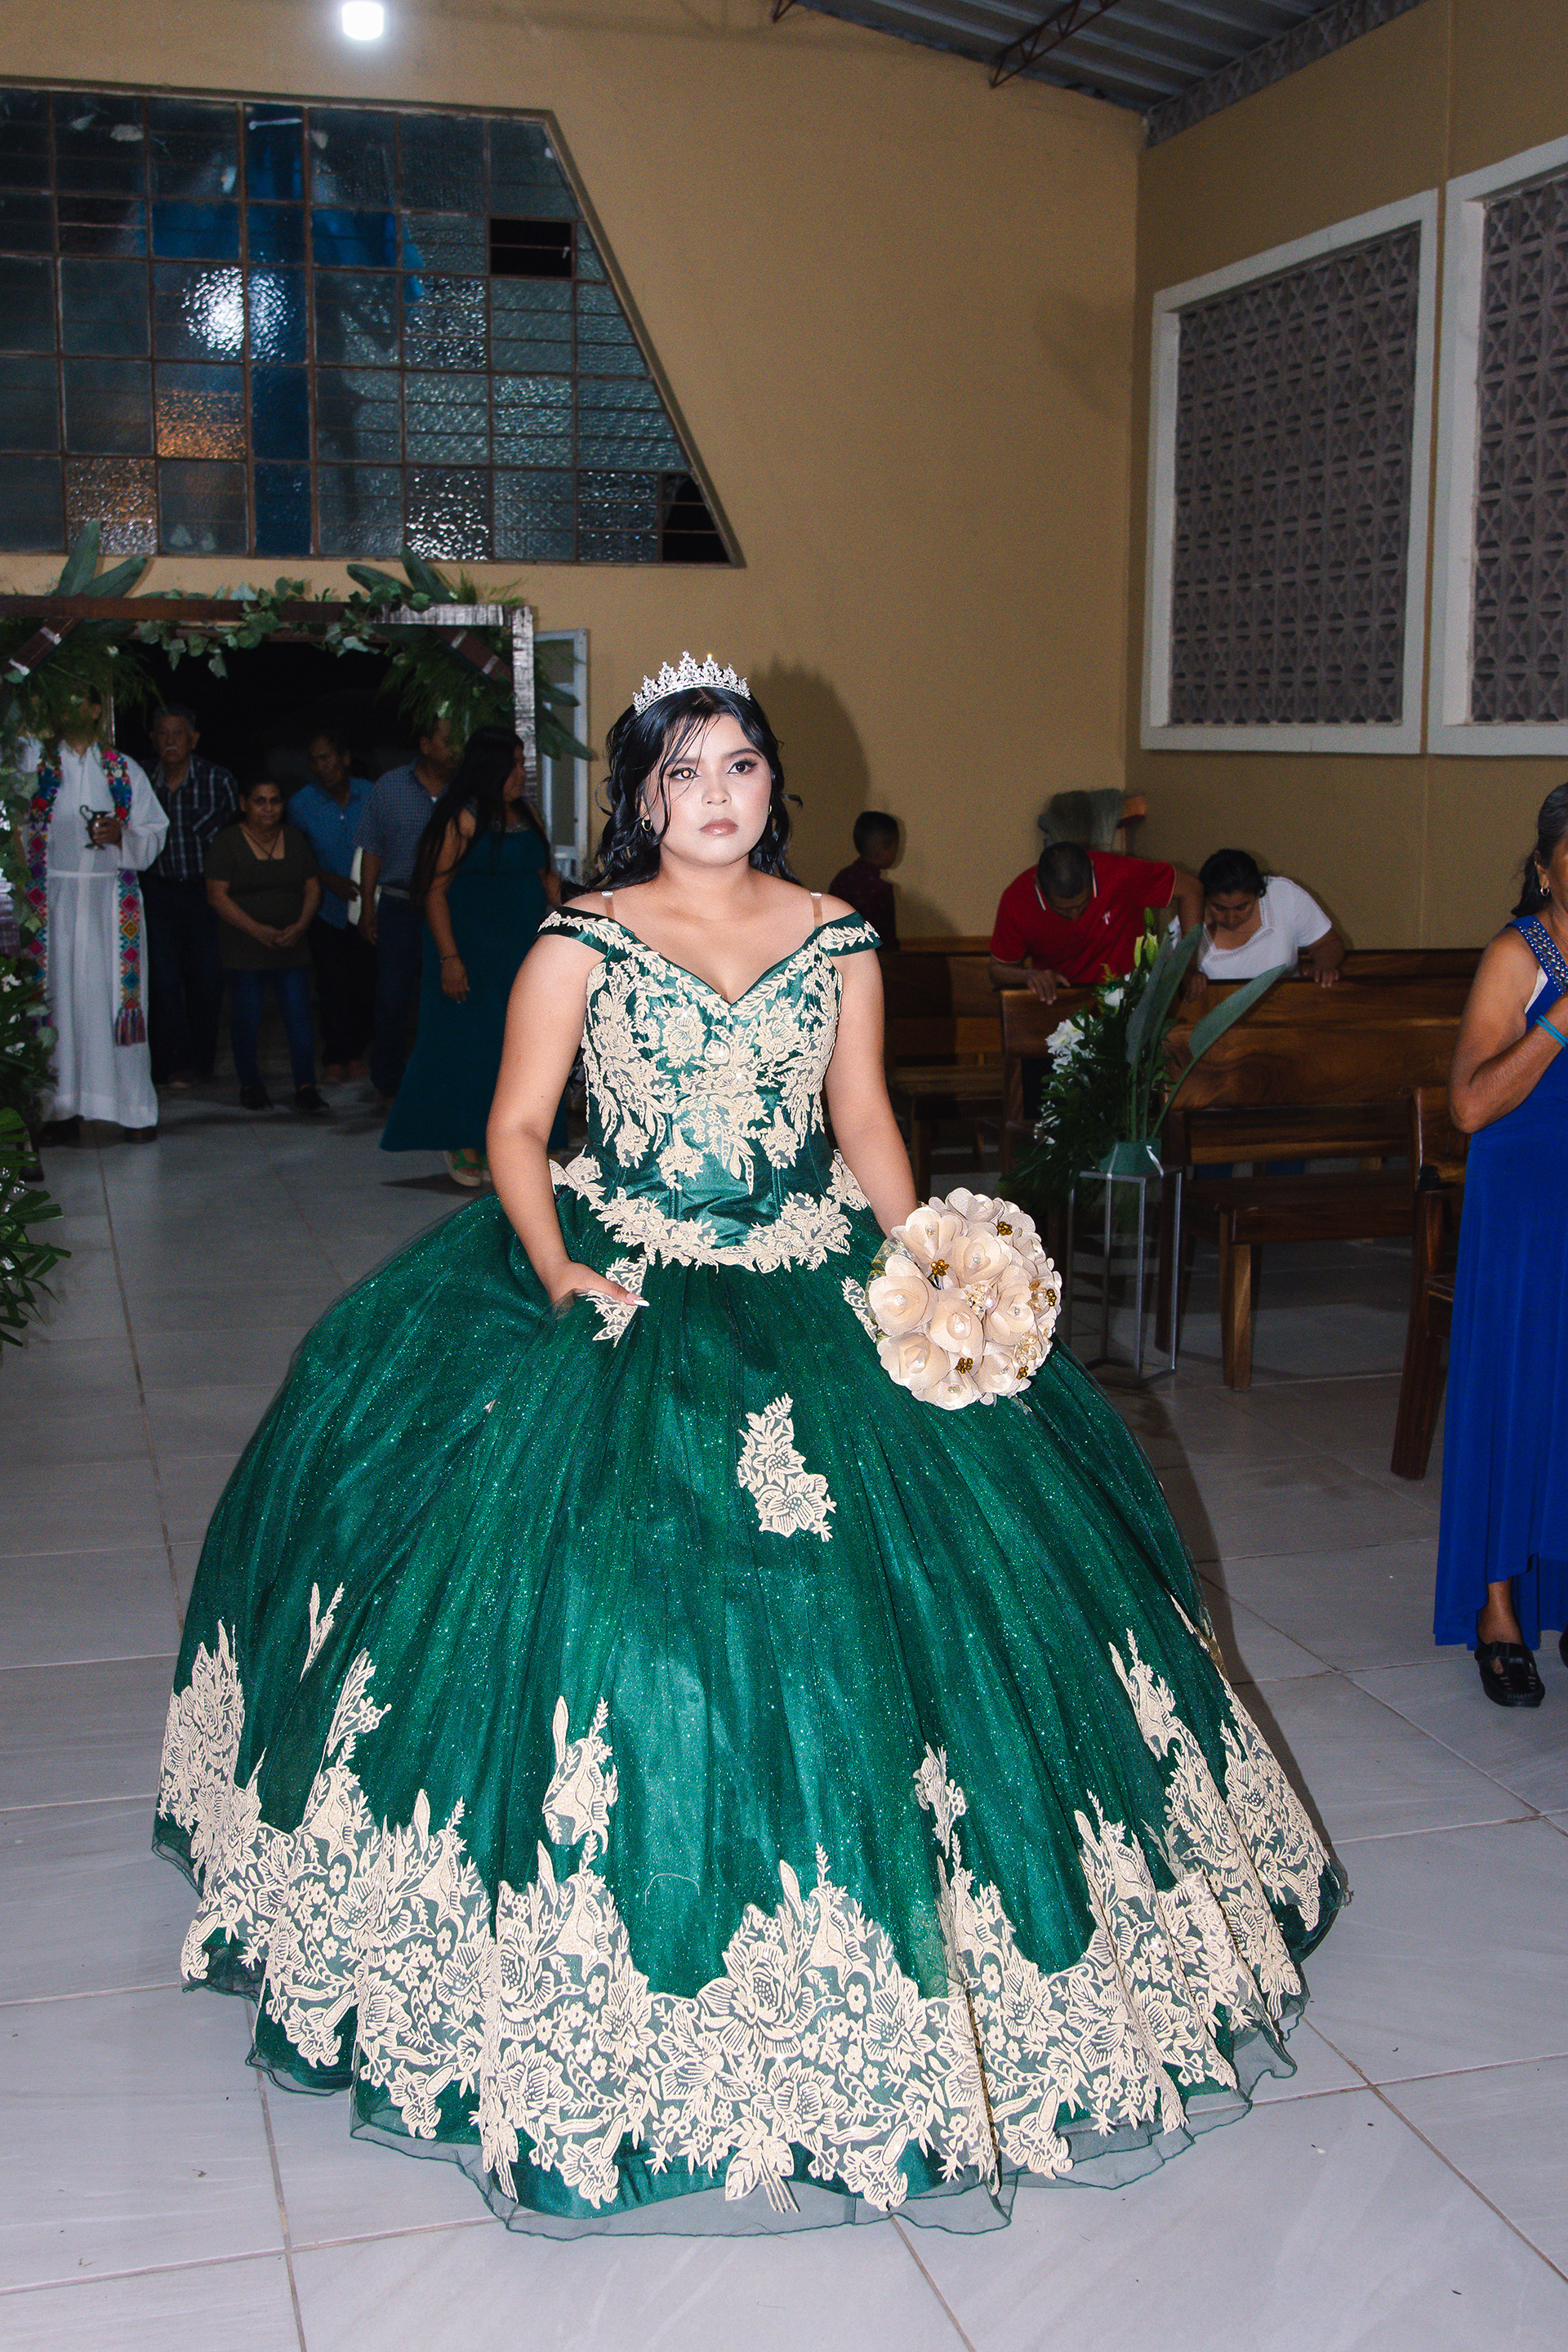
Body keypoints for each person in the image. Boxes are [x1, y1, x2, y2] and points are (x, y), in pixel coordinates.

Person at [157, 655, 1341, 2238]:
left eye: (740, 766)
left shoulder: (837, 934)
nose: (715, 795)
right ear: (640, 795)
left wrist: (930, 1263)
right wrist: (557, 1270)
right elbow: (519, 1128)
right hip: (627, 1271)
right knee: (596, 1600)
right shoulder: (581, 938)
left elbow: (864, 1121)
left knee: (936, 1586)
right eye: (684, 770)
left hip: (809, 1267)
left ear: (772, 783)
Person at [1434, 784, 1568, 1706]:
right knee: (1518, 1392)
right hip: (1526, 1208)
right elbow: (1471, 1106)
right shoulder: (1518, 956)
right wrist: (1560, 1019)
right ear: (1546, 869)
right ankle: (1498, 1612)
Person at [380, 728, 563, 1185]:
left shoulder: (527, 814)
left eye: (521, 763)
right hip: (469, 952)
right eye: (513, 764)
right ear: (489, 768)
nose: (521, 773)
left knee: (520, 1044)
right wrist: (449, 959)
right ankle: (461, 1138)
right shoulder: (459, 818)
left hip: (522, 950)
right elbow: (434, 891)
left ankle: (516, 1139)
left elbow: (547, 878)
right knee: (466, 1045)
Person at [18, 690, 167, 1138]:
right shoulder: (35, 764)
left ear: (97, 709)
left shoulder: (123, 769)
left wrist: (121, 835)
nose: (69, 709)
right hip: (52, 902)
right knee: (55, 1003)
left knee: (115, 1004)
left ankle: (132, 1110)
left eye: (79, 700)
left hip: (110, 903)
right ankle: (58, 1109)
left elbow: (153, 830)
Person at [204, 779, 327, 1115]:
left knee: (299, 1017)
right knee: (248, 1018)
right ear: (244, 803)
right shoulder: (228, 841)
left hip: (291, 945)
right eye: (260, 801)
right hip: (244, 947)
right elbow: (217, 896)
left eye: (275, 801)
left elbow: (312, 886)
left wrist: (301, 925)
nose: (268, 808)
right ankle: (250, 1084)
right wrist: (258, 931)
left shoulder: (295, 838)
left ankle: (305, 1086)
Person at [355, 715, 458, 1100]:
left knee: (446, 993)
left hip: (449, 907)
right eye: (447, 741)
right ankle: (389, 1081)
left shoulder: (466, 791)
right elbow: (372, 849)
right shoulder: (391, 786)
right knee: (393, 996)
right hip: (399, 905)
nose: (454, 750)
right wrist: (368, 905)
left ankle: (441, 1076)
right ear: (425, 745)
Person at [142, 704, 238, 1089]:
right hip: (156, 892)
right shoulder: (140, 781)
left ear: (193, 739)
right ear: (153, 739)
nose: (170, 741)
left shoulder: (219, 780)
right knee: (162, 982)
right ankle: (173, 1063)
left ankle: (201, 1063)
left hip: (204, 893)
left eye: (178, 733)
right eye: (163, 734)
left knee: (208, 981)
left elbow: (236, 841)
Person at [989, 839, 1205, 1005]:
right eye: (1063, 909)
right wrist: (1030, 975)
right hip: (1062, 1004)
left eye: (1082, 904)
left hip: (1130, 1001)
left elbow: (1191, 889)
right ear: (1038, 885)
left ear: (1092, 870)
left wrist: (1188, 966)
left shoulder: (1119, 873)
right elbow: (998, 969)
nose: (1075, 915)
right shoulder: (1017, 900)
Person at [290, 728, 376, 1080]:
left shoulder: (371, 794)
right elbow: (297, 856)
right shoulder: (301, 803)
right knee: (331, 984)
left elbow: (383, 845)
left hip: (367, 906)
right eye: (313, 760)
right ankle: (335, 1055)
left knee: (364, 982)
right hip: (324, 908)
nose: (320, 766)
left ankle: (357, 1052)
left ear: (345, 758)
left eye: (326, 757)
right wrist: (328, 880)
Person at [1198, 849, 1344, 986]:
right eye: (1220, 908)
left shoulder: (1283, 895)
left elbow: (1327, 943)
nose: (1231, 918)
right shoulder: (1191, 918)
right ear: (1205, 899)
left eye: (1242, 907)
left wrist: (1323, 967)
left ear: (1258, 893)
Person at [829, 810, 900, 944]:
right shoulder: (881, 889)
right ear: (883, 849)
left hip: (839, 952)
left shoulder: (841, 879)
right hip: (875, 954)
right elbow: (887, 940)